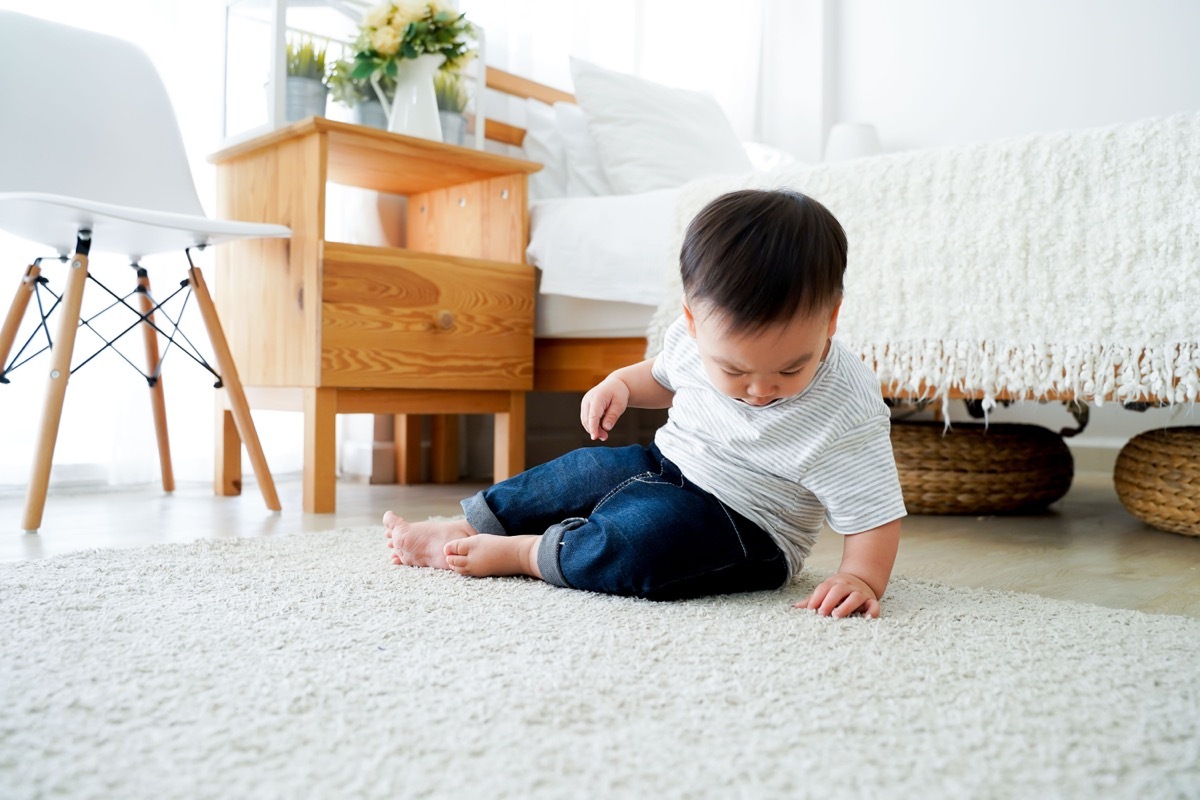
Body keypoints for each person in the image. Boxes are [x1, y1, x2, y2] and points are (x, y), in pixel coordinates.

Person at [383, 189, 906, 617]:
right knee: (578, 473)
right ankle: (473, 528)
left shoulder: (847, 404)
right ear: (695, 323)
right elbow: (662, 377)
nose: (759, 389)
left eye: (790, 369)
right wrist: (624, 385)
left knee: (644, 545)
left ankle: (526, 553)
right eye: (733, 370)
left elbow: (873, 511)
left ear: (831, 321)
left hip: (749, 527)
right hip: (663, 464)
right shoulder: (691, 336)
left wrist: (859, 576)